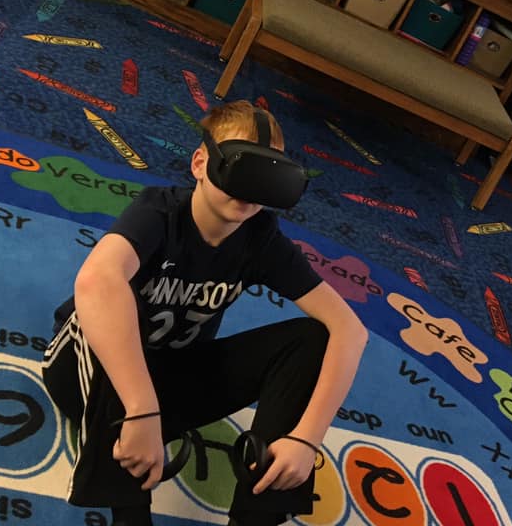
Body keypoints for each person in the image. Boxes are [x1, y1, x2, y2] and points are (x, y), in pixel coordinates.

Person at [41, 100, 368, 526]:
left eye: (265, 176)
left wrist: (306, 439)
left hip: (171, 388)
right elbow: (96, 281)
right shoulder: (160, 212)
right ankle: (130, 515)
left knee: (313, 338)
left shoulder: (260, 239)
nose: (249, 191)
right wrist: (141, 409)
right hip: (87, 379)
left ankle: (256, 515)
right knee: (113, 304)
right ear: (200, 163)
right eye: (238, 168)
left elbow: (349, 330)